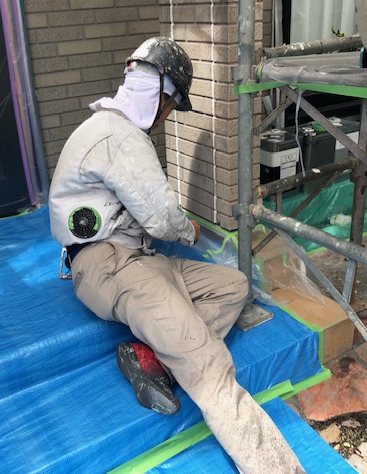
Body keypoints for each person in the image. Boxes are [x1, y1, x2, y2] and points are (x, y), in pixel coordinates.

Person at [48, 36, 305, 474]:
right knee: (210, 367)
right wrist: (192, 231)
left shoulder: (110, 128)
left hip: (137, 259)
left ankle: (153, 359)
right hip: (112, 265)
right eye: (171, 106)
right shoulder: (119, 137)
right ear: (160, 92)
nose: (167, 117)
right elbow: (163, 218)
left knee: (234, 285)